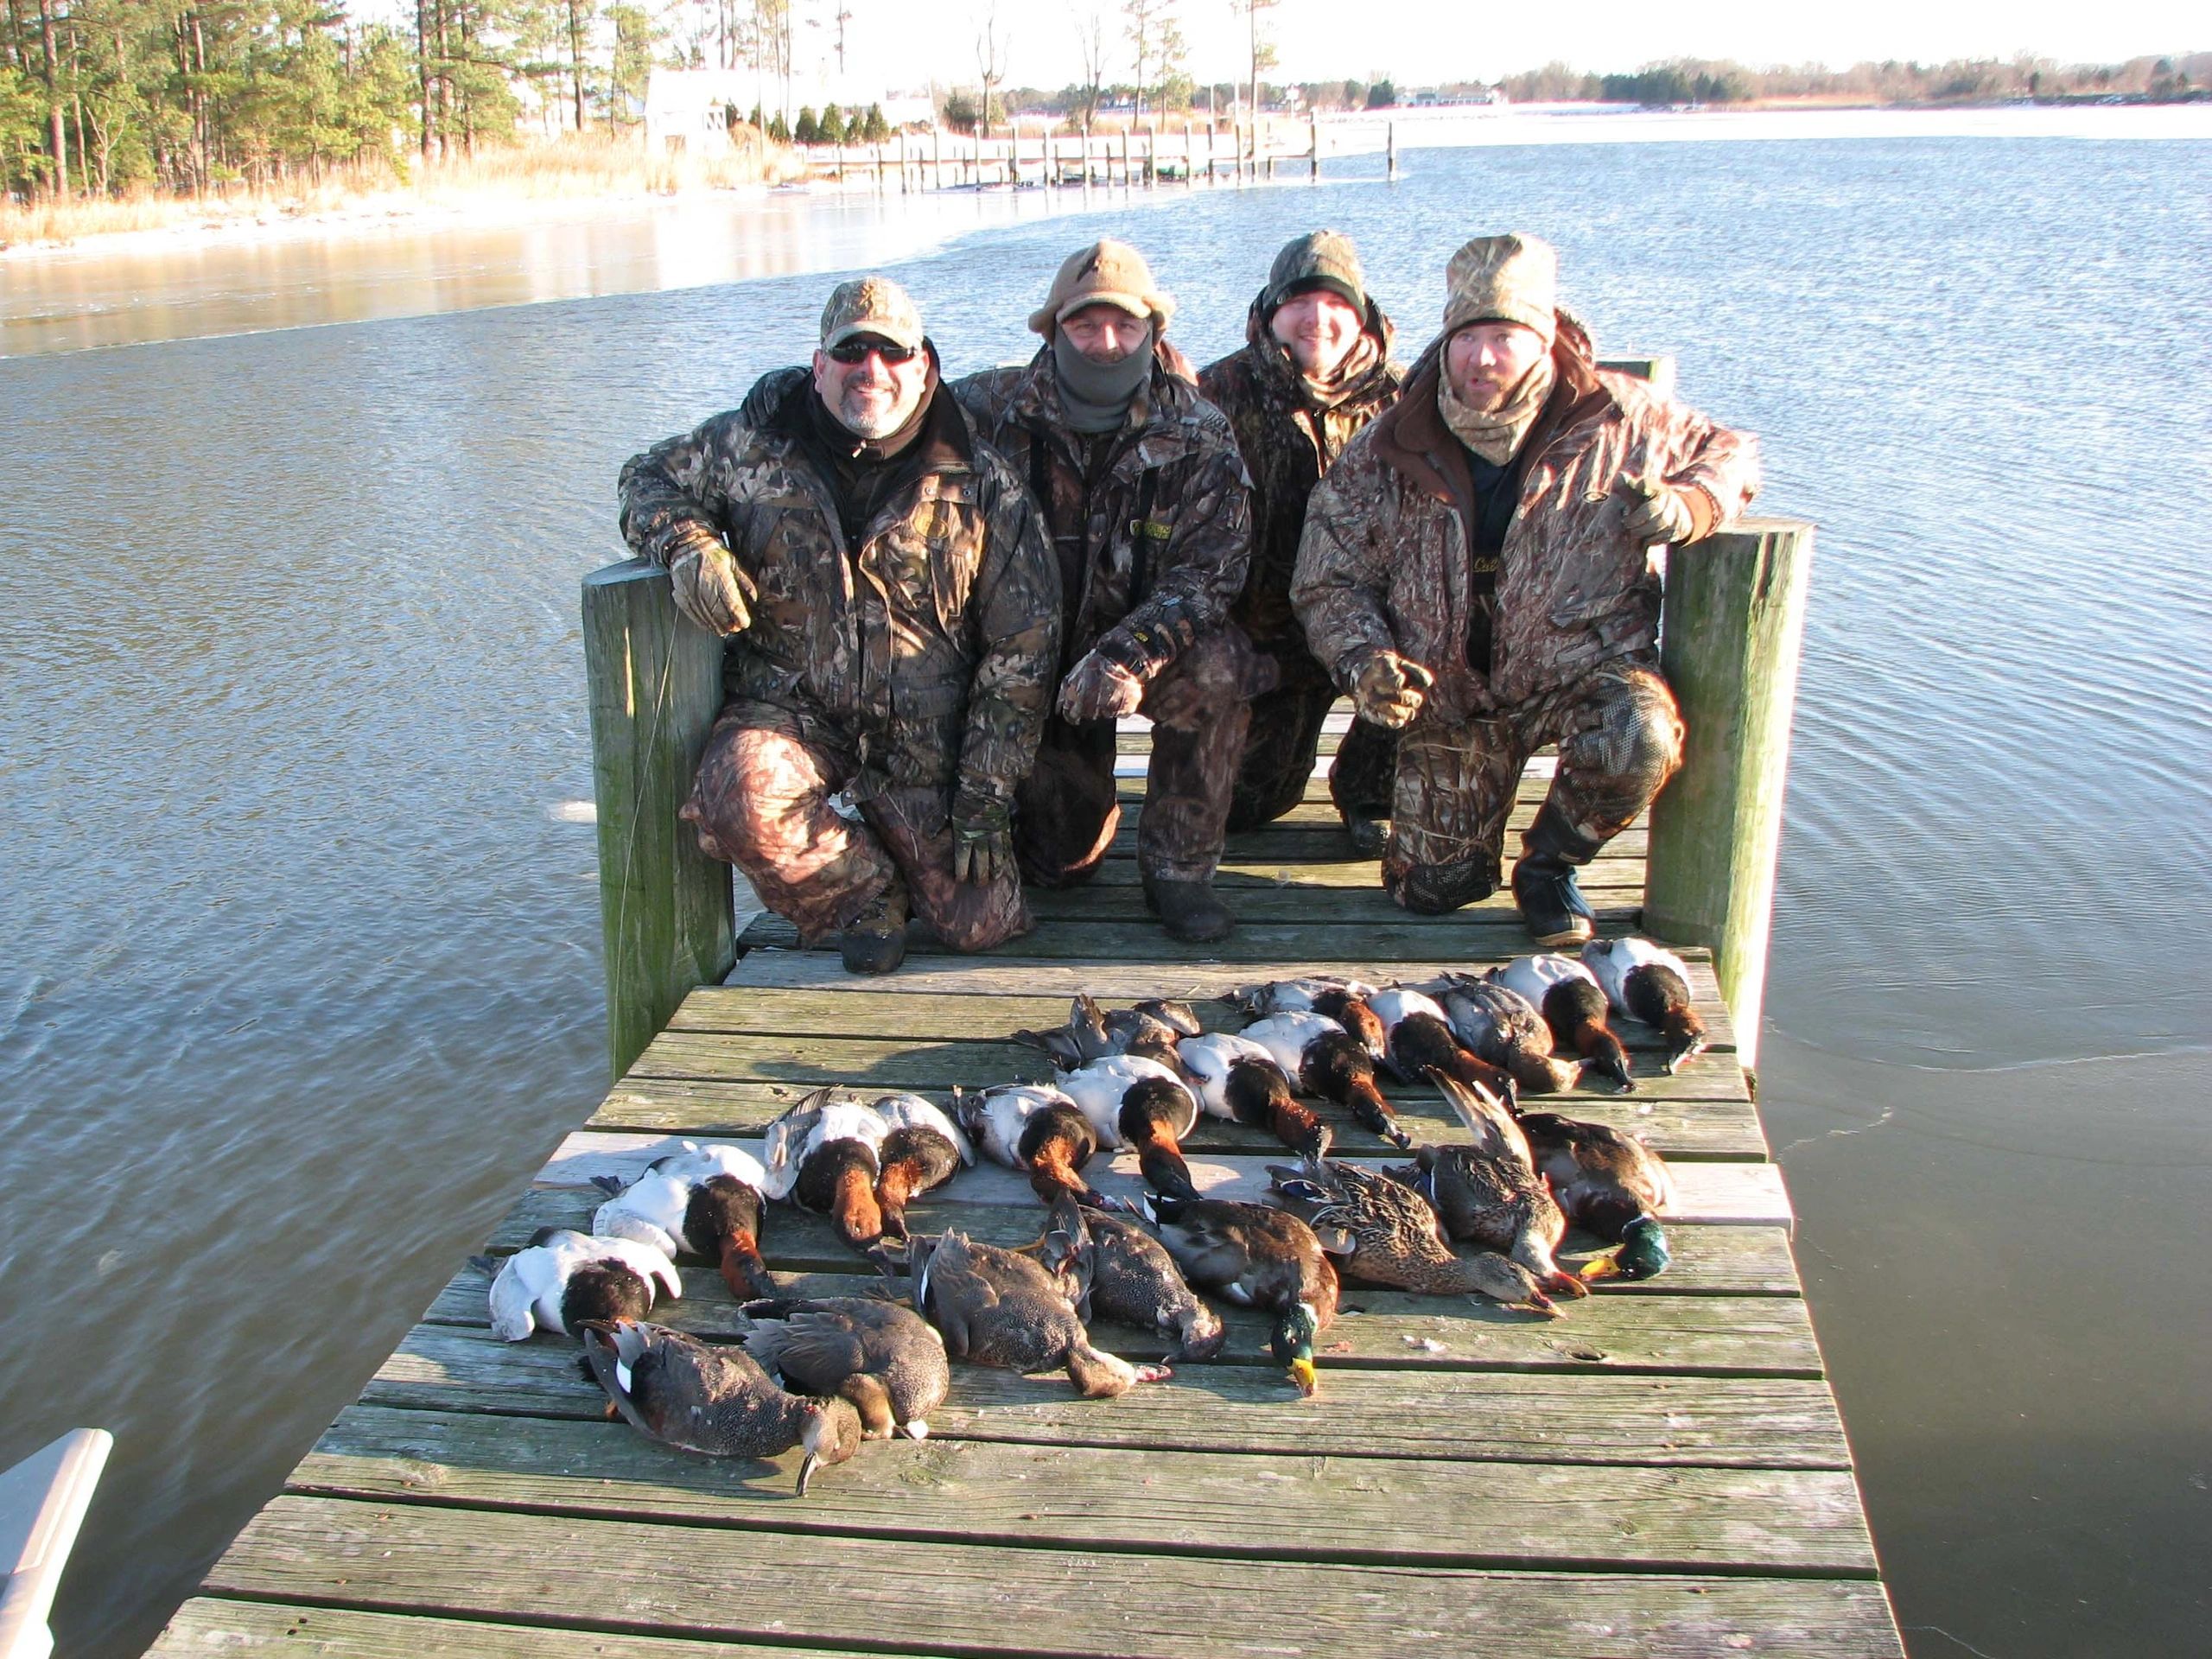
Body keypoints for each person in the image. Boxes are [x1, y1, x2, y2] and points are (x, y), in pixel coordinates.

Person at [1293, 232, 1760, 945]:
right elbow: (1327, 578)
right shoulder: (1390, 441)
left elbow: (1731, 453)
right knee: (1432, 892)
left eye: (1505, 337)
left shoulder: (1621, 417)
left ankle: (1550, 864)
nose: (1483, 358)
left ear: (1545, 340)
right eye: (1468, 336)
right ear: (1445, 341)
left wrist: (1690, 505)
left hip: (1579, 673)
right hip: (1450, 697)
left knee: (1641, 735)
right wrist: (1366, 661)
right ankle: (1381, 757)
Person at [617, 276, 1060, 975]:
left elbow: (1023, 650)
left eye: (891, 353)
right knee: (742, 791)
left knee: (980, 924)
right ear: (819, 365)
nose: (871, 372)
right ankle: (867, 893)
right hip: (792, 707)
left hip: (924, 731)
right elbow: (645, 477)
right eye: (851, 353)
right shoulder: (751, 445)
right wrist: (687, 545)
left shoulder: (982, 484)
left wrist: (983, 795)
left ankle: (903, 850)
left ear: (924, 367)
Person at [953, 239, 1262, 944]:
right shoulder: (985, 410)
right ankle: (1074, 812)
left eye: (1125, 326)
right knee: (1061, 864)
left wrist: (1130, 652)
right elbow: (885, 410)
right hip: (1030, 657)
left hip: (1148, 648)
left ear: (1154, 332)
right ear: (1051, 330)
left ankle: (1179, 869)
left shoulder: (1198, 430)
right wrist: (792, 395)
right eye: (1085, 326)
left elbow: (1212, 571)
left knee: (1222, 665)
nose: (1106, 342)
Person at [1198, 229, 1404, 854]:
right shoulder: (1215, 395)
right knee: (1248, 807)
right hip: (1264, 637)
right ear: (1269, 313)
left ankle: (1371, 789)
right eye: (1300, 302)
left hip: (1371, 623)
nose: (1318, 318)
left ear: (1363, 316)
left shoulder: (1407, 398)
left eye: (1338, 303)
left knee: (1428, 638)